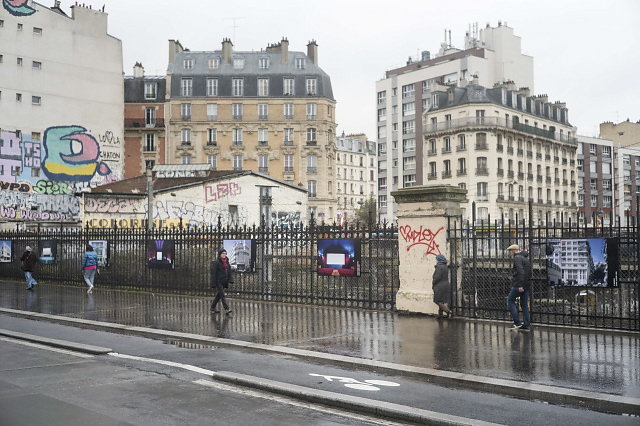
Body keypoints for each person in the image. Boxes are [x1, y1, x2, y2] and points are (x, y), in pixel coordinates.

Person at [507, 244, 532, 331]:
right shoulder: (525, 258)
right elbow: (529, 273)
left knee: (510, 301)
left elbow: (521, 272)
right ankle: (526, 325)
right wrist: (525, 285)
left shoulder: (517, 258)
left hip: (519, 285)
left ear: (513, 251)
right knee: (524, 305)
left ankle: (517, 322)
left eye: (510, 251)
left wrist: (520, 285)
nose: (509, 253)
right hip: (526, 285)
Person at [211, 248, 233, 314]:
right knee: (222, 295)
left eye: (225, 253)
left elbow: (229, 271)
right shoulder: (216, 262)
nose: (224, 255)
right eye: (223, 253)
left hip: (224, 281)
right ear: (220, 254)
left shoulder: (226, 262)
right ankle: (227, 309)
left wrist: (230, 279)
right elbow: (213, 273)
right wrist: (213, 283)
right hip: (218, 281)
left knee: (219, 295)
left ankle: (212, 307)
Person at [432, 254, 453, 318]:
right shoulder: (445, 266)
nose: (436, 261)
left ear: (439, 260)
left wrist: (433, 283)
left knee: (437, 300)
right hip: (446, 285)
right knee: (443, 300)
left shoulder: (439, 267)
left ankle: (448, 311)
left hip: (439, 286)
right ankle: (440, 315)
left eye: (436, 259)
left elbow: (437, 277)